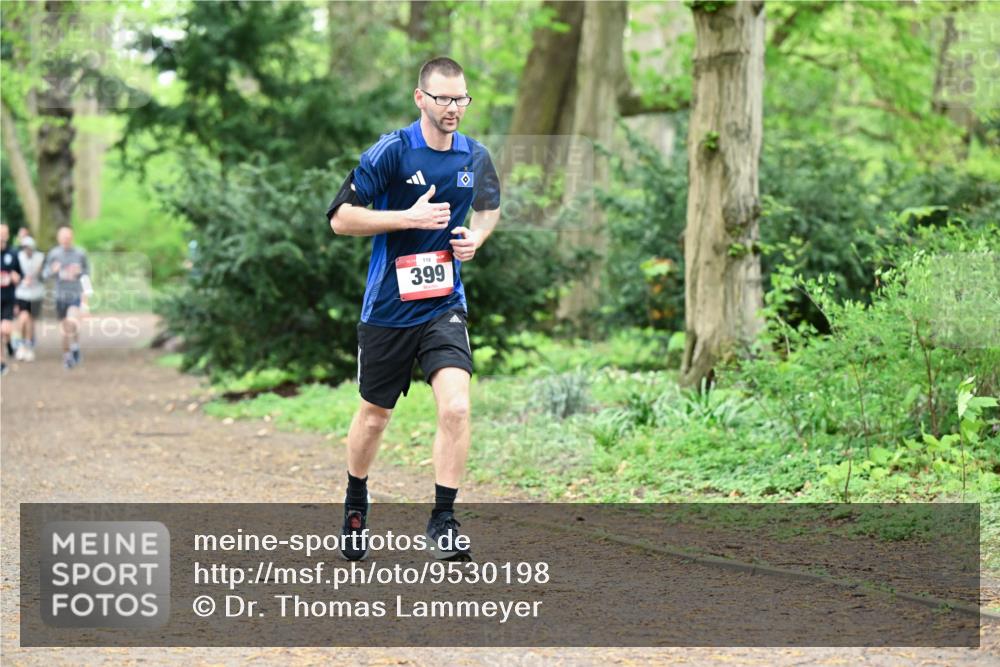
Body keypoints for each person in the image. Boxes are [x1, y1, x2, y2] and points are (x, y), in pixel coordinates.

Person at [326, 57, 501, 561]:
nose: (454, 108)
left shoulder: (475, 156)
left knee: (457, 406)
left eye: (461, 98)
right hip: (388, 307)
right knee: (376, 417)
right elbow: (340, 219)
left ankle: (443, 521)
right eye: (444, 98)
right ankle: (356, 495)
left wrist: (477, 238)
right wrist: (408, 217)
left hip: (444, 304)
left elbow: (489, 207)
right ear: (420, 98)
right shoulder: (393, 152)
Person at [42, 225, 93, 370]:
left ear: (72, 237)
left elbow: (87, 276)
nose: (66, 239)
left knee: (72, 321)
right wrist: (53, 270)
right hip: (60, 296)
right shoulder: (53, 254)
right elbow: (45, 275)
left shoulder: (80, 254)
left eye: (68, 237)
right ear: (59, 238)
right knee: (65, 328)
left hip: (75, 294)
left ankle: (74, 347)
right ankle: (68, 354)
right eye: (63, 237)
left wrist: (87, 297)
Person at [15, 236, 45, 362]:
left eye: (29, 247)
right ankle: (20, 343)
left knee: (31, 320)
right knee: (23, 316)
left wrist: (40, 271)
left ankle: (27, 344)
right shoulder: (18, 257)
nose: (27, 250)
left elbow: (44, 275)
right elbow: (15, 272)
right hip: (22, 293)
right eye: (25, 247)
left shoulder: (40, 257)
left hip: (36, 293)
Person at [1, 224, 22, 376]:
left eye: (4, 233)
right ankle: (1, 362)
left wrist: (16, 278)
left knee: (5, 329)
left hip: (8, 298)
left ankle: (9, 343)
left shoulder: (14, 254)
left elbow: (20, 275)